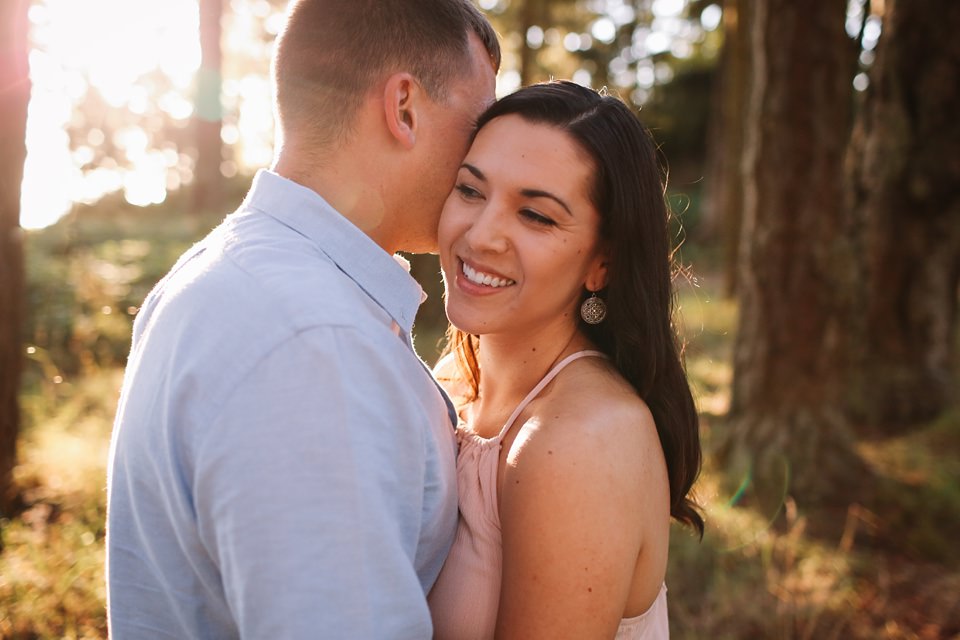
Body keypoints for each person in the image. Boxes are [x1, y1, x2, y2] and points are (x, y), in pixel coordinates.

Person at [105, 1, 499, 637]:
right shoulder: (316, 344)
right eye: (479, 123)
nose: (488, 154)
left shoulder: (222, 276)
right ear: (404, 108)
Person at [426, 80, 704, 639]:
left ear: (602, 263)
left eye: (536, 216)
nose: (481, 236)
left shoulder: (581, 441)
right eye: (471, 190)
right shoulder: (451, 384)